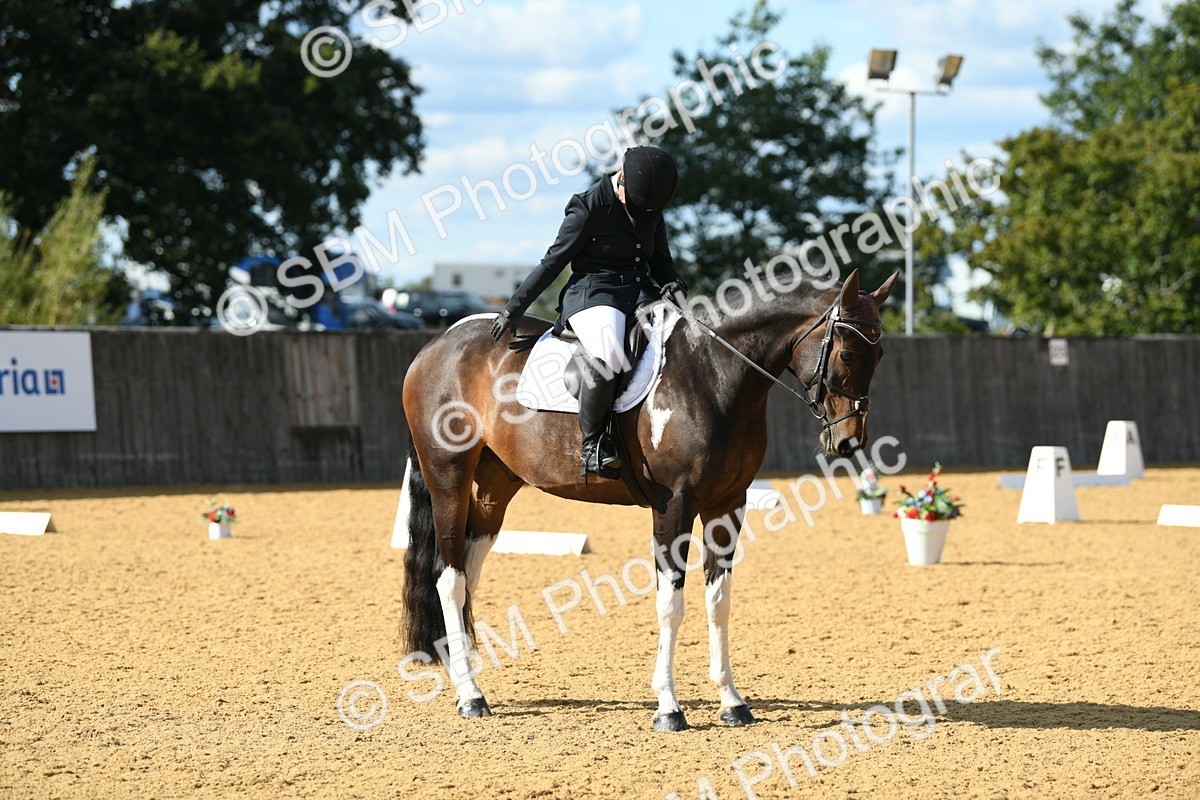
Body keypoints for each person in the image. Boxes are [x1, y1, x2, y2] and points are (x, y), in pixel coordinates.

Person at [490, 146, 688, 479]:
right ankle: (592, 446)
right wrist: (514, 308)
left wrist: (673, 283)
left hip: (639, 293)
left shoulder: (649, 206)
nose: (644, 216)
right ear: (620, 178)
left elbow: (661, 261)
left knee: (684, 337)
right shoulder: (588, 207)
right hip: (594, 294)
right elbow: (553, 263)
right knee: (609, 352)